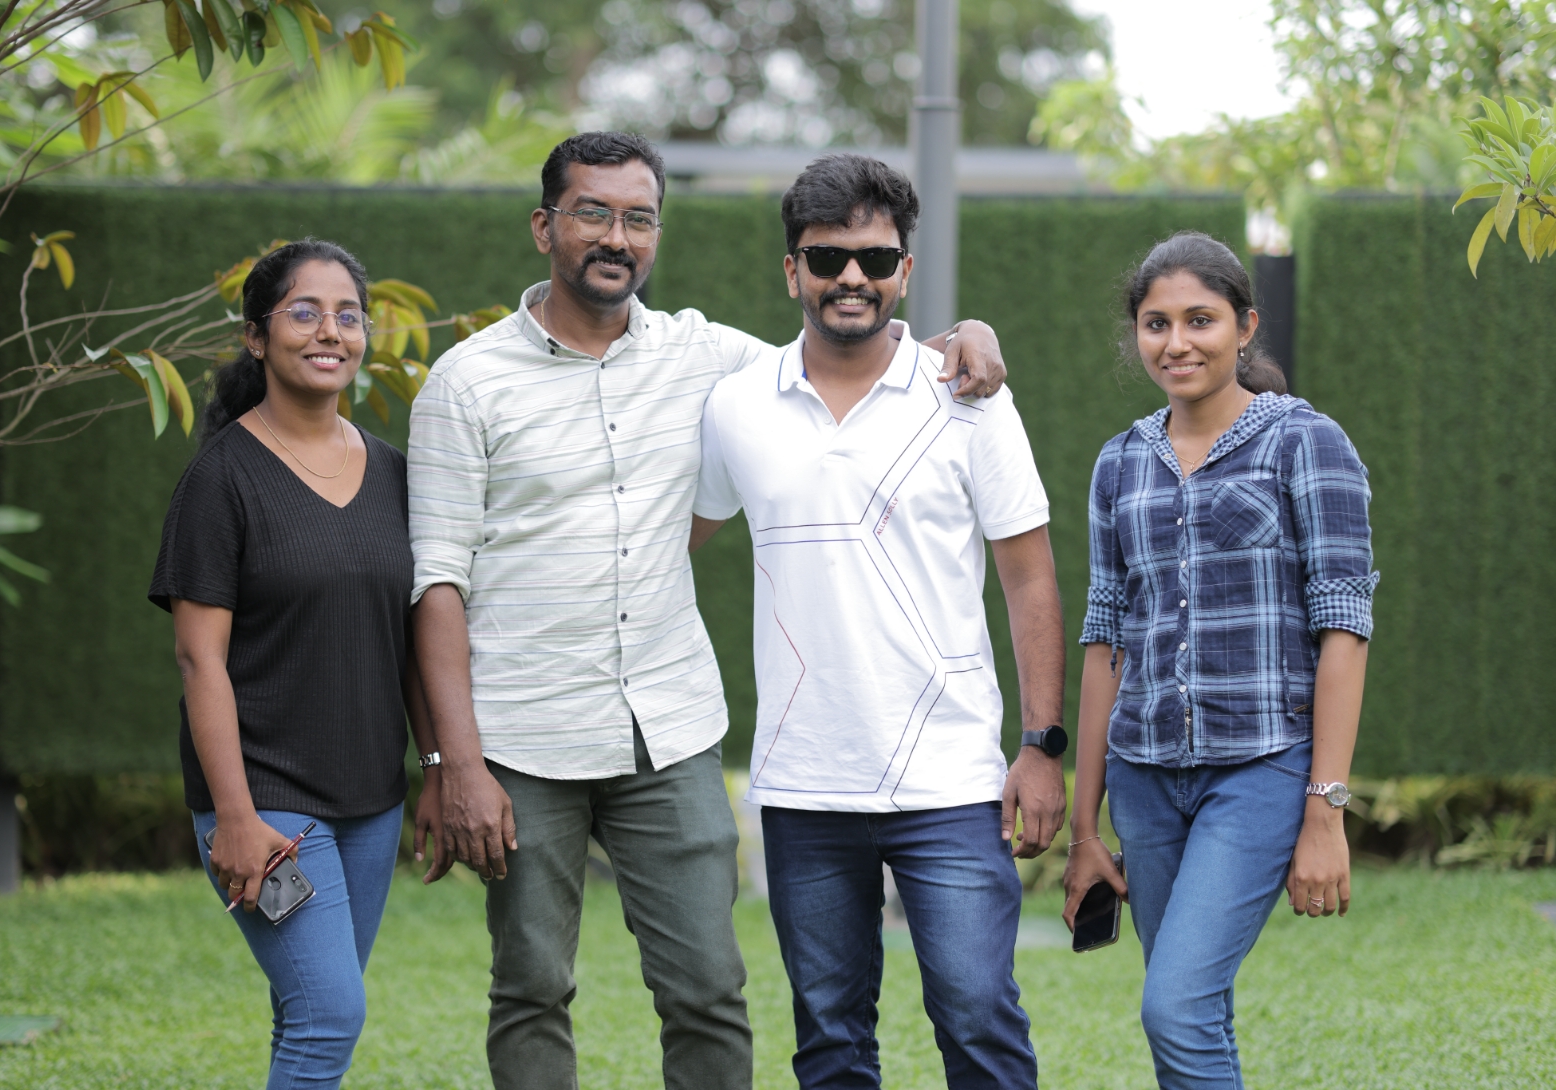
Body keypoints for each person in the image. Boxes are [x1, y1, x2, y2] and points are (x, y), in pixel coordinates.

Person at [406, 132, 1009, 1090]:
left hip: (669, 728)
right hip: (523, 734)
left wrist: (963, 334)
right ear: (544, 226)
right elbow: (436, 582)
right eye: (593, 213)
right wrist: (454, 763)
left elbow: (848, 343)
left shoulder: (711, 358)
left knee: (708, 991)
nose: (617, 236)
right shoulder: (465, 383)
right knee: (530, 987)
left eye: (639, 218)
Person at [689, 153, 1065, 1090]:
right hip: (802, 782)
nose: (850, 277)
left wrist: (1040, 746)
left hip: (951, 778)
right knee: (830, 1042)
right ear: (792, 271)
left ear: (905, 269)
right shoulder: (737, 405)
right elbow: (670, 544)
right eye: (826, 258)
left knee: (979, 1020)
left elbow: (1029, 579)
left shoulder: (970, 396)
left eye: (875, 258)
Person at [1062, 231, 1377, 1089]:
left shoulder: (1306, 443)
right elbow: (1104, 641)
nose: (1178, 342)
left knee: (1175, 1007)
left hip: (1261, 770)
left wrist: (1326, 811)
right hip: (1144, 778)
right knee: (1196, 1012)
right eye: (1157, 323)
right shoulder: (1120, 463)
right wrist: (1086, 830)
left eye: (1200, 320)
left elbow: (1344, 629)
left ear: (1246, 326)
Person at [150, 239, 445, 1089]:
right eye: (304, 312)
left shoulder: (392, 473)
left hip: (371, 801)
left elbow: (411, 640)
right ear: (256, 336)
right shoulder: (220, 481)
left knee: (306, 1011)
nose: (330, 332)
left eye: (348, 315)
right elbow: (199, 662)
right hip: (269, 804)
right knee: (330, 1014)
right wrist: (235, 818)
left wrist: (432, 768)